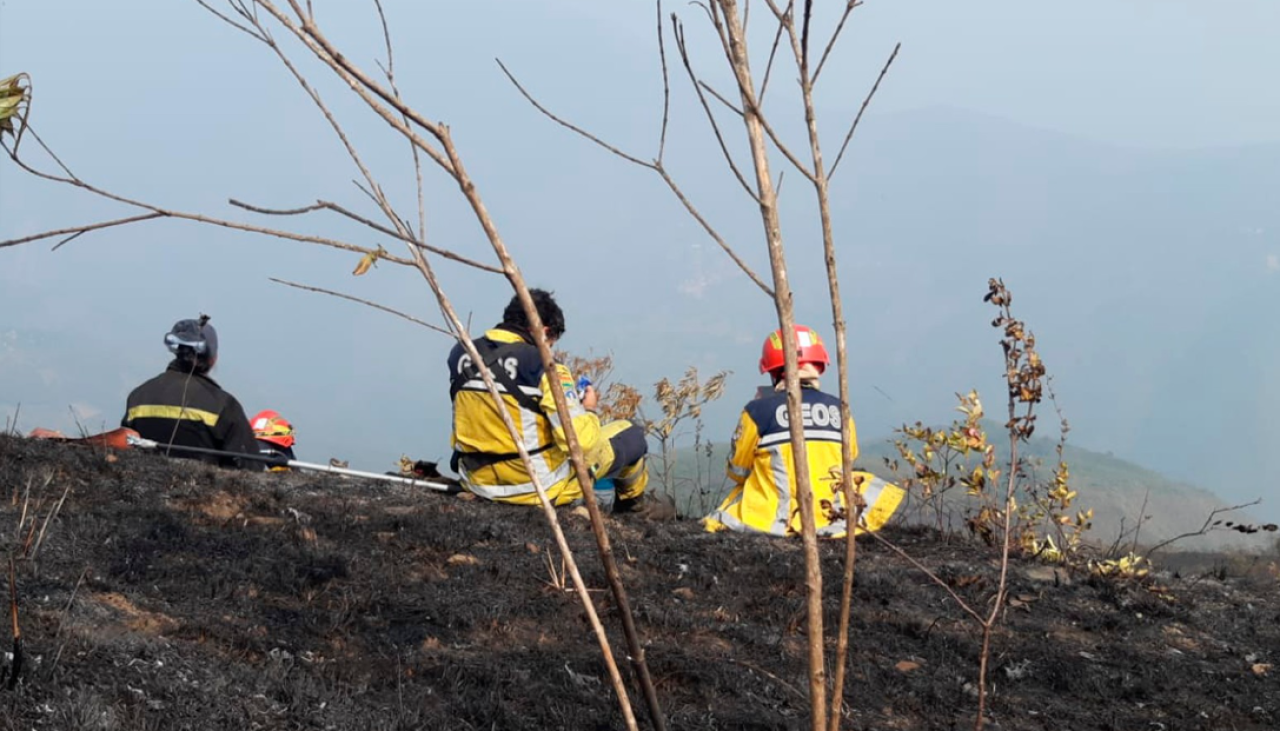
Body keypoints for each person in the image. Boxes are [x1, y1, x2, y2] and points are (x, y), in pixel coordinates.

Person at [447, 289, 649, 510]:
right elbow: (579, 443)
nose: (550, 349)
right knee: (632, 435)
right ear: (543, 332)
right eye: (551, 342)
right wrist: (589, 410)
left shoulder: (461, 354)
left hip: (477, 482)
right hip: (535, 487)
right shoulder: (542, 366)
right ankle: (634, 507)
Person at [704, 324, 903, 537]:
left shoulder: (756, 411)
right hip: (834, 517)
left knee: (735, 503)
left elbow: (738, 471)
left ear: (773, 371)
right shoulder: (840, 408)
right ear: (818, 366)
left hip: (776, 520)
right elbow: (849, 459)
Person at [122, 315, 260, 469]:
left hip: (141, 489)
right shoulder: (224, 405)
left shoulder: (138, 397)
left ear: (177, 351)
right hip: (203, 491)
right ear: (212, 358)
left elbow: (123, 445)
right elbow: (250, 466)